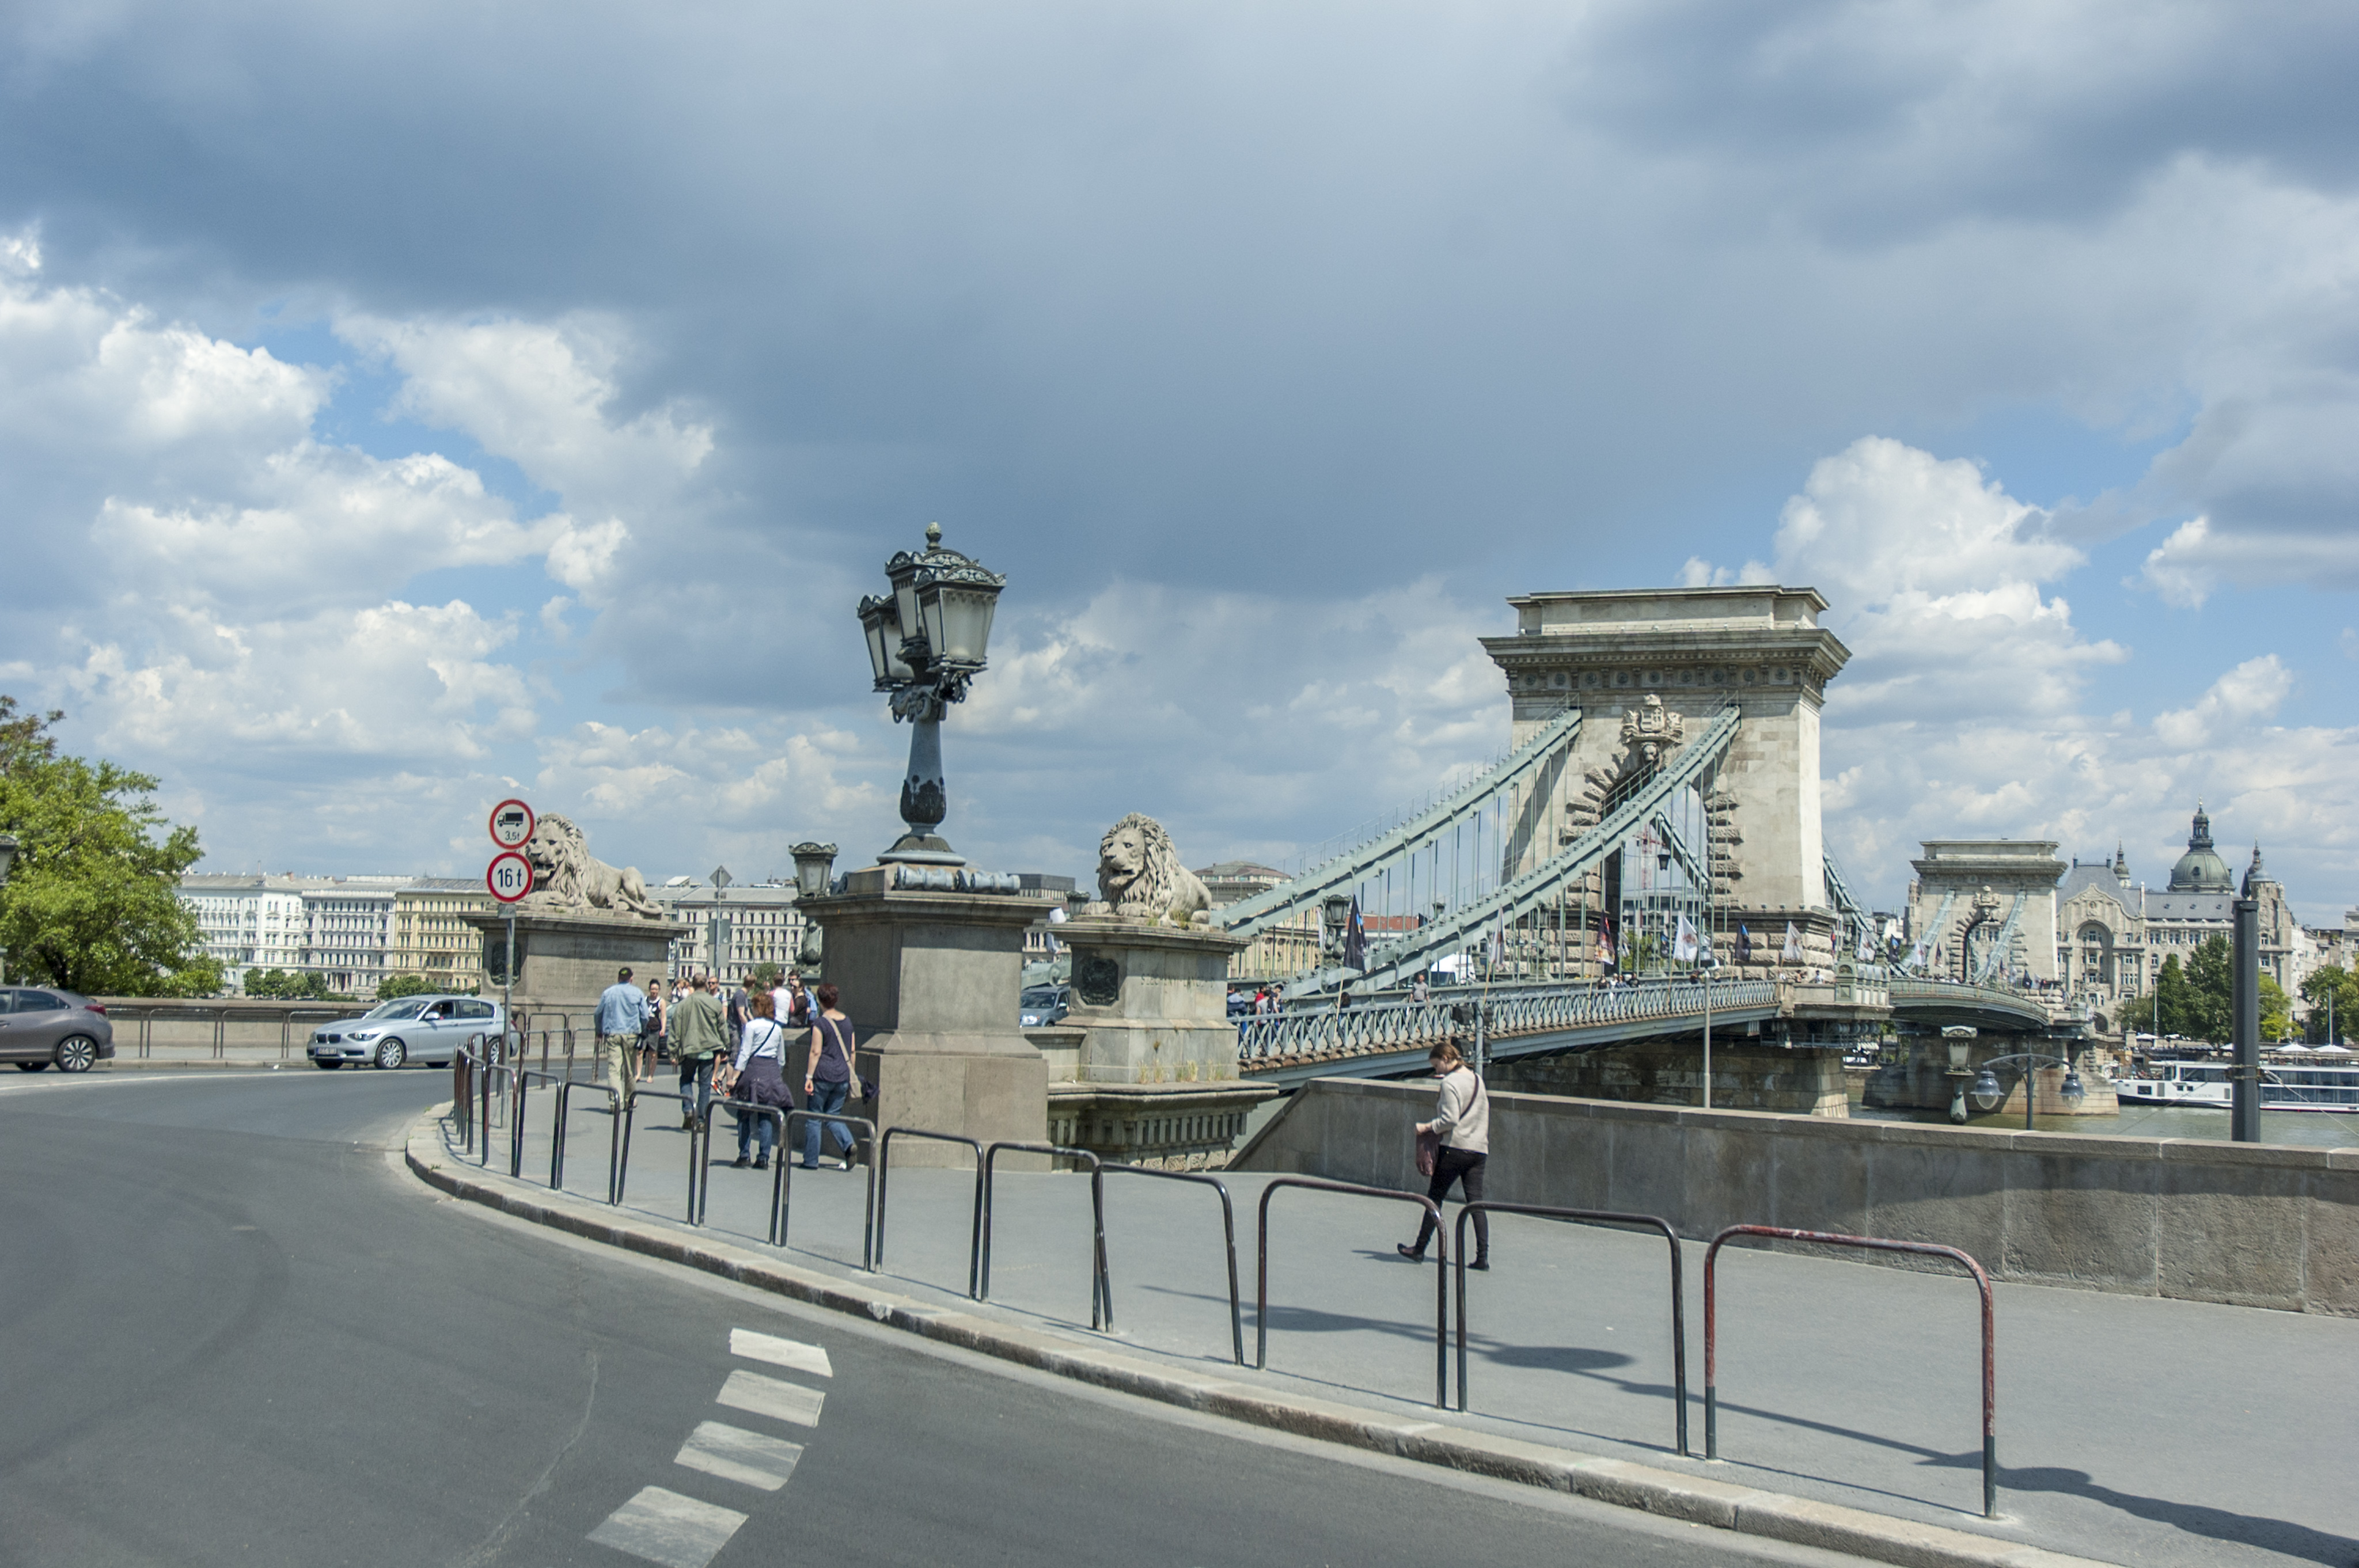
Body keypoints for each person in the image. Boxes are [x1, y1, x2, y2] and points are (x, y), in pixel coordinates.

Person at [1397, 1038, 1489, 1270]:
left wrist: (1427, 1127)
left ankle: (1419, 1249)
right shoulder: (1478, 1080)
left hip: (1455, 1149)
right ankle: (1482, 1257)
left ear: (1447, 1059)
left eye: (1437, 1066)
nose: (1436, 1071)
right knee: (1475, 1203)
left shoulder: (1450, 1084)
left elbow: (1450, 1120)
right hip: (1479, 1150)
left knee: (1434, 1199)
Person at [718, 988, 791, 1170]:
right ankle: (764, 1157)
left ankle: (744, 1154)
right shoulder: (777, 1029)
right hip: (772, 1071)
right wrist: (776, 1073)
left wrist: (734, 1077)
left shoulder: (751, 1026)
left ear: (759, 1008)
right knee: (765, 1115)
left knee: (744, 1113)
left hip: (753, 1071)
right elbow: (781, 1057)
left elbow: (745, 1053)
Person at [801, 982, 860, 1171]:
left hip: (822, 1075)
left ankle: (811, 1160)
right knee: (833, 1115)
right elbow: (852, 1051)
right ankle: (848, 1144)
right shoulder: (847, 1021)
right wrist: (850, 1073)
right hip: (842, 1075)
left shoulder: (820, 1023)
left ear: (820, 1000)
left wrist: (809, 1077)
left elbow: (816, 1051)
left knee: (814, 1117)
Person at [670, 974, 728, 1133]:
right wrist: (726, 1046)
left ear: (693, 986)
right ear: (707, 986)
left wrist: (673, 1052)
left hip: (689, 1049)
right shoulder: (715, 1003)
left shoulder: (684, 1004)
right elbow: (722, 1027)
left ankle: (689, 1110)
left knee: (686, 1080)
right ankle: (701, 1120)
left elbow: (675, 1029)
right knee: (704, 1086)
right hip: (708, 1051)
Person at [596, 967, 648, 1110]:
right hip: (631, 1034)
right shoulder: (637, 993)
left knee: (614, 1070)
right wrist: (643, 1031)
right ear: (631, 979)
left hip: (612, 1033)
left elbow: (598, 1013)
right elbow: (645, 1016)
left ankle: (615, 1102)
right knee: (630, 1070)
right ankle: (629, 1100)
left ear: (618, 978)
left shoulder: (608, 993)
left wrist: (599, 1030)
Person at [638, 979, 667, 1083]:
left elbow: (663, 1017)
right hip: (645, 1029)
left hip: (655, 1029)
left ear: (659, 990)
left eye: (656, 989)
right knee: (640, 1051)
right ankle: (638, 1074)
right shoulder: (645, 1000)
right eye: (652, 989)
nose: (654, 991)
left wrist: (663, 1029)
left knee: (653, 1053)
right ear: (649, 989)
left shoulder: (661, 1001)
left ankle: (651, 1075)